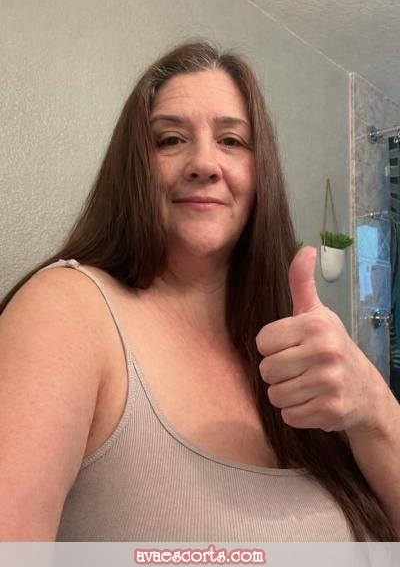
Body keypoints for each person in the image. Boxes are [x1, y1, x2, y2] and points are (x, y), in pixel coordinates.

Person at [0, 40, 399, 542]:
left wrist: (375, 409)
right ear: (134, 168)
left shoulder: (293, 350)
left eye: (232, 141)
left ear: (262, 173)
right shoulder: (66, 310)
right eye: (170, 140)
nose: (204, 163)